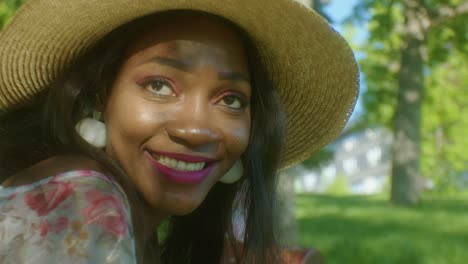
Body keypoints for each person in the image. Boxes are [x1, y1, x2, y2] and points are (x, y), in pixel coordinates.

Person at [0, 0, 358, 263]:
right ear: (98, 96)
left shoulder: (144, 227)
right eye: (159, 85)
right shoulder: (80, 197)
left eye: (231, 100)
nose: (197, 129)